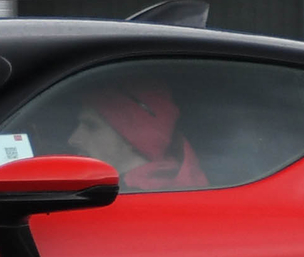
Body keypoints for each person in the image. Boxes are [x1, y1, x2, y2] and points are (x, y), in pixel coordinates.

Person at [66, 74, 207, 190]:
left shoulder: (152, 206)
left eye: (92, 126)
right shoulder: (178, 194)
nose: (72, 139)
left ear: (135, 137)